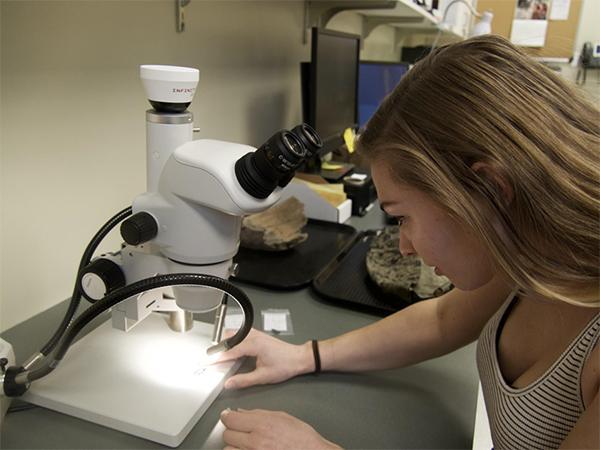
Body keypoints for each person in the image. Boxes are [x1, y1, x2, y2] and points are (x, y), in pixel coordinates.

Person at [218, 35, 600, 450]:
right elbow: (442, 321)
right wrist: (304, 355)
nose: (404, 246)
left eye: (402, 217)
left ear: (490, 189)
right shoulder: (531, 251)